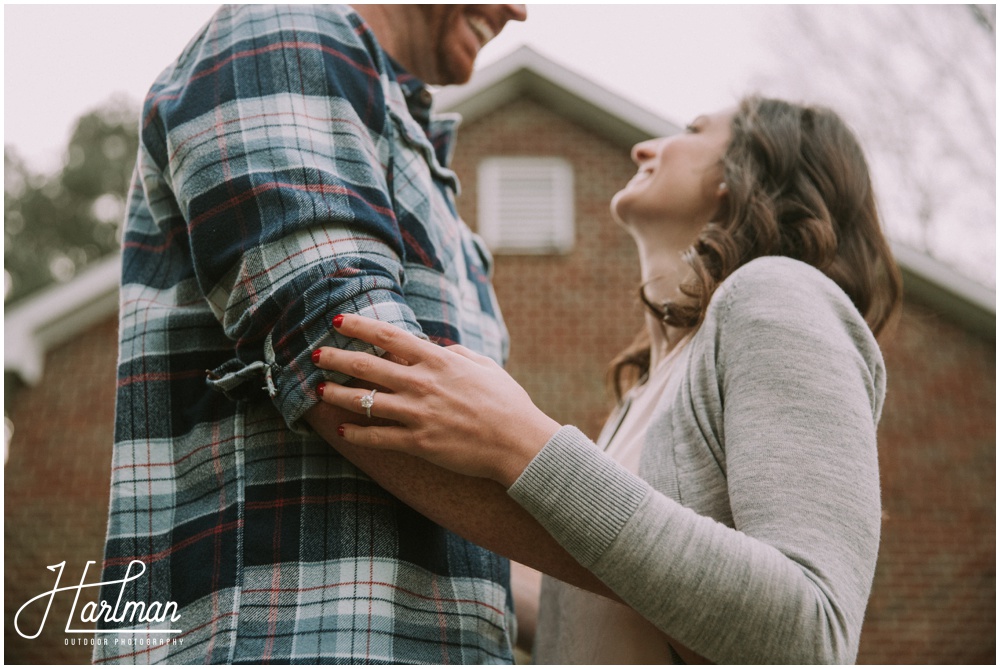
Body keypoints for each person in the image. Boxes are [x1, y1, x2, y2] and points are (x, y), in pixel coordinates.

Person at [311, 96, 904, 663]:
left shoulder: (778, 291)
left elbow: (811, 636)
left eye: (694, 131)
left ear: (744, 171)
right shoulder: (643, 391)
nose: (645, 148)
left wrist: (521, 443)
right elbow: (619, 604)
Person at [95, 5, 532, 664]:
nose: (518, 10)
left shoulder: (448, 212)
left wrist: (661, 596)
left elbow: (477, 537)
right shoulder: (285, 31)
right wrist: (640, 556)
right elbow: (352, 370)